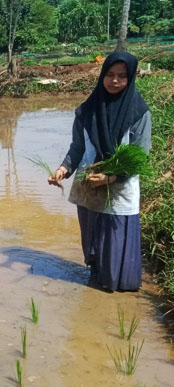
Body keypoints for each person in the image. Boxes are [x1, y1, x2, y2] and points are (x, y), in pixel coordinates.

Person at [49, 51, 151, 292]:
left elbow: (140, 155)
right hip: (88, 184)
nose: (114, 81)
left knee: (114, 241)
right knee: (92, 236)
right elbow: (78, 147)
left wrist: (111, 178)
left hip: (119, 187)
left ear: (131, 78)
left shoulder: (139, 113)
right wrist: (64, 168)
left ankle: (117, 287)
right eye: (109, 75)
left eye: (122, 76)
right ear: (102, 75)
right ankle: (95, 282)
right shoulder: (86, 111)